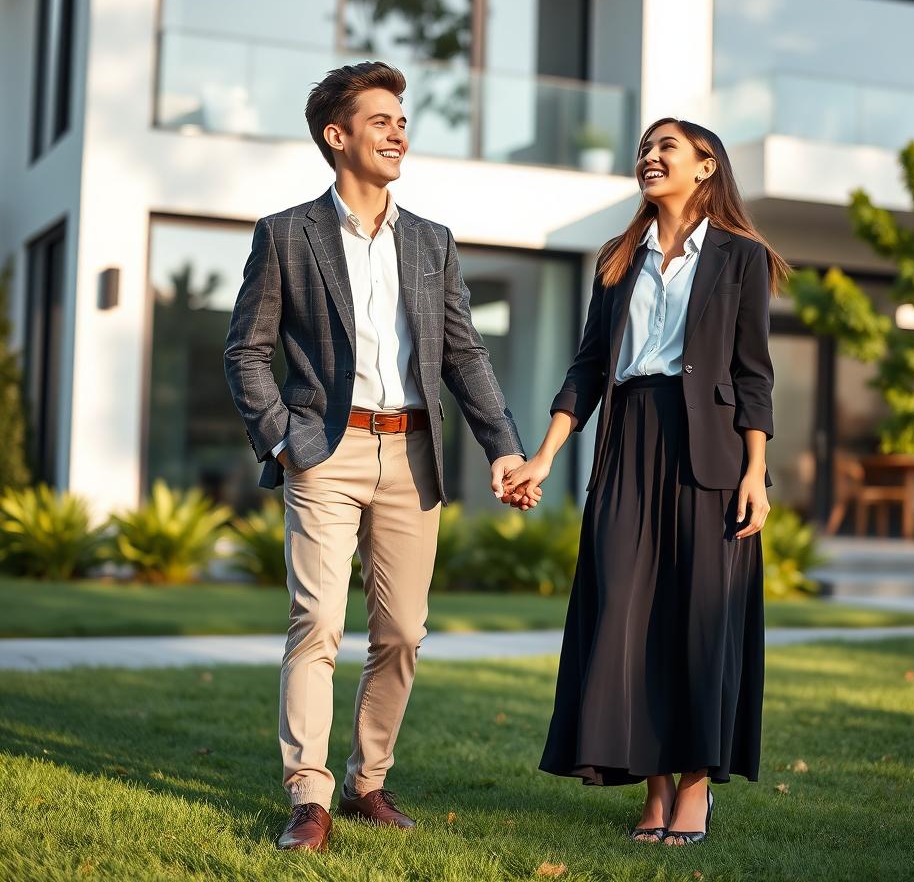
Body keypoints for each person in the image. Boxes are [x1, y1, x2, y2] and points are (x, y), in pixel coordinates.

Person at [224, 61, 536, 853]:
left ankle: (370, 782)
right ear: (338, 137)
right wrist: (284, 440)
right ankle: (309, 796)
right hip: (323, 451)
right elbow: (246, 352)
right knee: (319, 621)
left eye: (402, 119)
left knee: (400, 631)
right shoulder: (286, 234)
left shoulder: (431, 242)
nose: (399, 130)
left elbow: (465, 357)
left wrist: (503, 446)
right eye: (381, 119)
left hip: (413, 453)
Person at [503, 117, 788, 846]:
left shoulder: (741, 258)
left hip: (712, 452)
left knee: (699, 619)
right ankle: (653, 791)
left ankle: (694, 790)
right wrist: (543, 456)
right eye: (645, 148)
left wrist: (757, 472)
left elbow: (754, 376)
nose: (649, 156)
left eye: (666, 147)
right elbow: (588, 369)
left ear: (706, 168)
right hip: (627, 441)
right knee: (627, 614)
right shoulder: (617, 256)